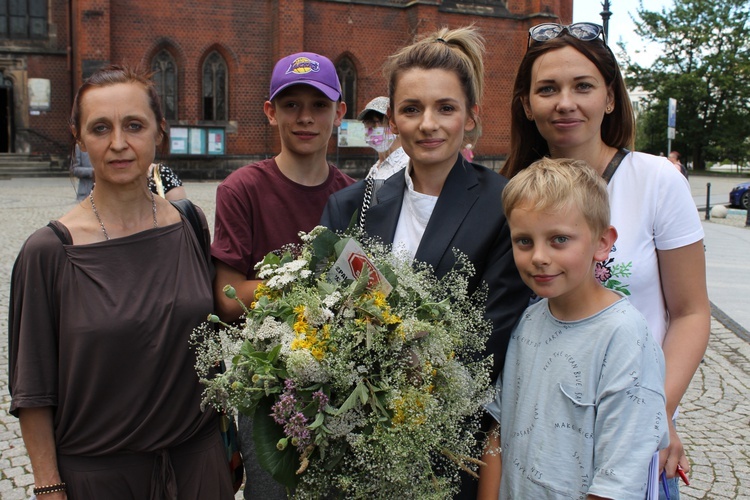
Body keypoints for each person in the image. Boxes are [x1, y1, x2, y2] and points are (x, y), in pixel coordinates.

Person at [501, 22, 710, 499]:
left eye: (583, 86)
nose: (565, 102)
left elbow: (691, 313)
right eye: (547, 89)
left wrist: (657, 416)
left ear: (611, 98)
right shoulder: (517, 192)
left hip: (628, 440)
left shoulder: (655, 181)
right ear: (527, 105)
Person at [320, 26, 530, 497]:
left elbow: (491, 334)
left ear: (471, 117)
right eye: (411, 109)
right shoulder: (351, 205)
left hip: (446, 444)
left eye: (445, 108)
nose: (427, 124)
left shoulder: (503, 206)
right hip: (353, 439)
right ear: (392, 120)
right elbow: (327, 314)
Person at [8, 65, 234, 499]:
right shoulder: (49, 251)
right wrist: (49, 487)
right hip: (101, 478)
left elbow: (208, 349)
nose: (118, 143)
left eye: (134, 125)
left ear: (158, 132)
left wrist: (228, 441)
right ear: (79, 138)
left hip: (198, 466)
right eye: (100, 128)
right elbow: (33, 390)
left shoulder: (188, 223)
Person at [478, 158, 669, 499]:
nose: (539, 256)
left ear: (601, 242)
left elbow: (618, 480)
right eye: (524, 241)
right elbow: (499, 432)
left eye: (559, 239)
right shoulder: (528, 320)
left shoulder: (623, 337)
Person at [211, 52, 355, 499]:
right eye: (291, 105)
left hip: (343, 387)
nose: (306, 118)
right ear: (271, 112)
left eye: (319, 105)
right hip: (269, 392)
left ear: (340, 113)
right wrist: (314, 291)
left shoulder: (354, 196)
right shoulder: (242, 190)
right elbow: (228, 298)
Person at [357, 96, 409, 179]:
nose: (372, 129)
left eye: (379, 122)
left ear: (394, 124)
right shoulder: (376, 167)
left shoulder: (409, 165)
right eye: (367, 123)